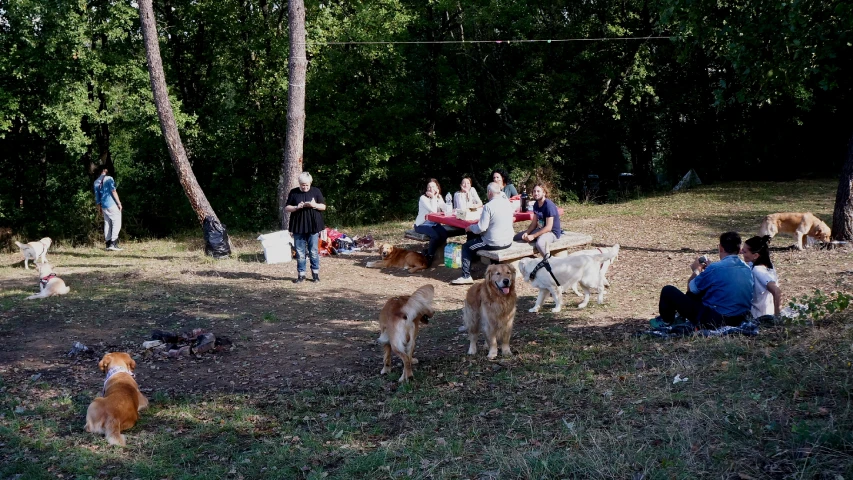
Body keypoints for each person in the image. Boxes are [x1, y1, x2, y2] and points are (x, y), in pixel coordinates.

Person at [656, 231, 754, 328]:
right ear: (739, 249)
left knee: (668, 290)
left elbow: (691, 289)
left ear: (721, 248)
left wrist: (696, 270)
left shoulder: (715, 268)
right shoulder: (747, 268)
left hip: (716, 319)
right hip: (739, 318)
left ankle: (667, 322)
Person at [451, 182, 515, 285]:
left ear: (489, 192)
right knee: (474, 238)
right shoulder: (506, 202)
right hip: (508, 240)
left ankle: (466, 276)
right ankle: (479, 265)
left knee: (466, 246)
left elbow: (481, 227)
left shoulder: (488, 206)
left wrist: (470, 227)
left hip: (494, 242)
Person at [285, 172, 327, 283]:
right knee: (300, 251)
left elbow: (323, 206)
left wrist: (314, 205)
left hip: (313, 225)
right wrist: (296, 207)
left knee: (313, 251)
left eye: (307, 185)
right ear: (299, 183)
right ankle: (301, 275)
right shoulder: (294, 192)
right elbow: (287, 207)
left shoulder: (316, 191)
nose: (305, 187)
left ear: (310, 183)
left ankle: (315, 274)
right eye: (303, 185)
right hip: (298, 226)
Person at [514, 183, 562, 256]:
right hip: (541, 229)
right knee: (517, 237)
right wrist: (527, 233)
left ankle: (548, 262)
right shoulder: (536, 204)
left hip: (552, 233)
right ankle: (530, 258)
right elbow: (534, 224)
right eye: (534, 191)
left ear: (544, 193)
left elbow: (548, 227)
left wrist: (533, 236)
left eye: (538, 191)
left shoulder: (548, 206)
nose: (536, 193)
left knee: (540, 244)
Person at [741, 235, 782, 317]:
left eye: (744, 252)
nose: (742, 253)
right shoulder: (766, 264)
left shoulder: (758, 270)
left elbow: (777, 292)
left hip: (760, 316)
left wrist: (777, 317)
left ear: (755, 255)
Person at [414, 178, 448, 266]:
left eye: (433, 187)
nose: (430, 189)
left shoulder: (437, 197)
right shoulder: (423, 198)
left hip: (433, 223)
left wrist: (439, 198)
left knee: (444, 234)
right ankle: (429, 256)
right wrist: (433, 197)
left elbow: (446, 209)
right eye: (428, 187)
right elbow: (433, 210)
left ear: (437, 187)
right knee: (435, 236)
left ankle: (428, 251)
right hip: (422, 224)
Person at [93, 166, 123, 251]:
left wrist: (99, 208)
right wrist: (119, 203)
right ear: (105, 170)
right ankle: (113, 243)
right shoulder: (109, 179)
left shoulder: (96, 182)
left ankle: (108, 243)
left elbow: (97, 197)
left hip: (104, 206)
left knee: (107, 223)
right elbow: (113, 191)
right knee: (117, 223)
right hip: (112, 204)